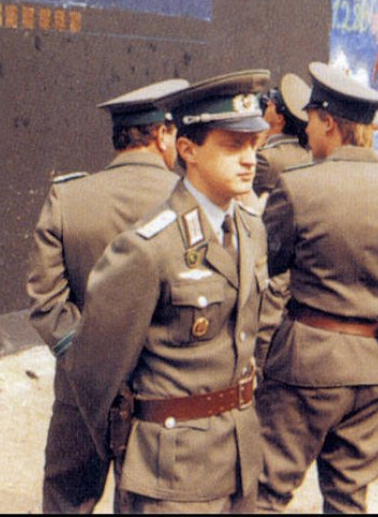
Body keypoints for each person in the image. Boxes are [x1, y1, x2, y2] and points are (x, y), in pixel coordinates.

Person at [66, 70, 273, 513]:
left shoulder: (251, 229)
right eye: (233, 145)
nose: (250, 159)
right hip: (172, 475)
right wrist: (130, 454)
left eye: (254, 144)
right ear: (187, 149)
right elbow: (94, 370)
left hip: (239, 458)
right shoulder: (148, 247)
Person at [257, 62, 378, 513]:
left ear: (328, 122)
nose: (309, 130)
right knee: (349, 500)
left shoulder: (298, 187)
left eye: (312, 121)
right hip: (376, 371)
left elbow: (262, 268)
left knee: (266, 492)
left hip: (304, 366)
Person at [27, 77, 189, 514]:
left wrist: (86, 360)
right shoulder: (190, 201)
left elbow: (45, 302)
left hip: (80, 390)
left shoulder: (69, 196)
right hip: (165, 391)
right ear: (163, 134)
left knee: (66, 500)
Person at [251, 73, 312, 366]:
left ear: (279, 119)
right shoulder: (308, 154)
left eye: (271, 103)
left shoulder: (266, 159)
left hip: (271, 256)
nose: (265, 106)